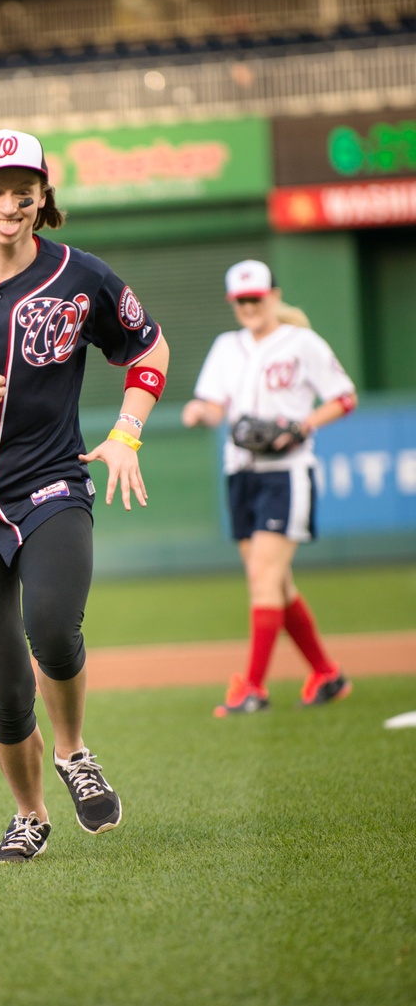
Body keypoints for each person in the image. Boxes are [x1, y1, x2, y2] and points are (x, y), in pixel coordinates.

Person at [0, 129, 170, 863]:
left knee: (51, 626)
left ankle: (74, 754)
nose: (8, 205)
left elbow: (148, 348)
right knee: (6, 690)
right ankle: (30, 815)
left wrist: (127, 434)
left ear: (44, 195)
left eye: (23, 191)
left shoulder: (82, 275)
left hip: (51, 480)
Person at [182, 259, 357, 716]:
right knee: (275, 583)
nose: (248, 306)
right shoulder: (226, 346)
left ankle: (253, 688)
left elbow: (344, 396)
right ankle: (327, 673)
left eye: (255, 297)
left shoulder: (301, 343)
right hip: (241, 472)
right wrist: (199, 411)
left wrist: (303, 426)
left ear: (274, 295)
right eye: (240, 300)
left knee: (263, 578)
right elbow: (216, 408)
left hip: (287, 472)